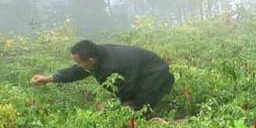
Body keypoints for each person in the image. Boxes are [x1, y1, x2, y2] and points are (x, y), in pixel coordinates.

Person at [31, 40, 174, 112]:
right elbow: (78, 71)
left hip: (157, 76)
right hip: (141, 73)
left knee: (132, 109)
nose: (78, 65)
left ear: (91, 60)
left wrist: (115, 106)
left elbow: (127, 90)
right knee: (126, 108)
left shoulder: (111, 66)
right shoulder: (97, 53)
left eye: (79, 62)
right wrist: (48, 78)